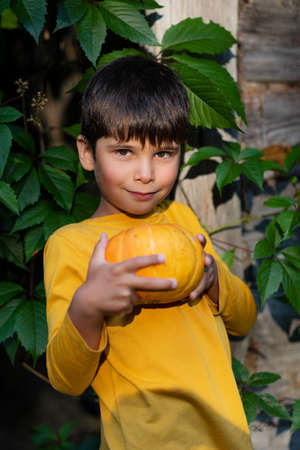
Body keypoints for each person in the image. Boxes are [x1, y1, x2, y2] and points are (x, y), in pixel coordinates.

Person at [44, 55, 257, 450]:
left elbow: (244, 319)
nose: (145, 172)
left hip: (227, 439)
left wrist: (213, 280)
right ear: (87, 153)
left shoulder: (182, 222)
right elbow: (65, 379)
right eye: (124, 152)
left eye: (163, 153)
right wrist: (87, 308)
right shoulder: (74, 245)